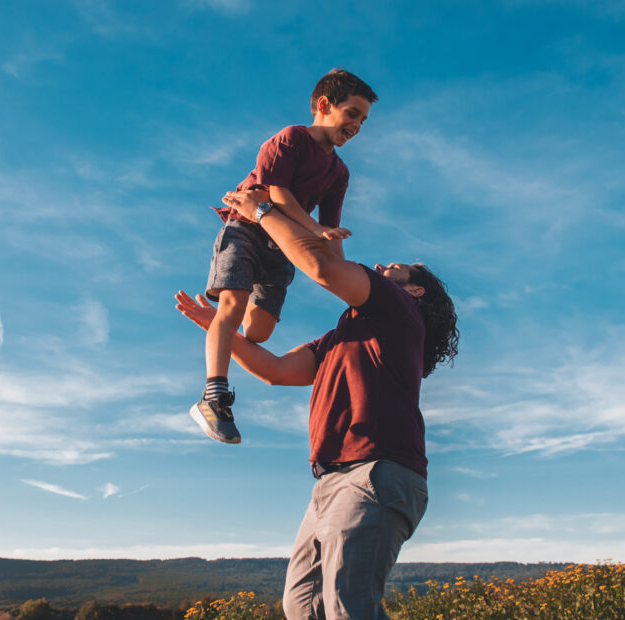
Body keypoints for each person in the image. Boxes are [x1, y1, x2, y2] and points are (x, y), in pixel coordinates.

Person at [175, 187, 459, 619]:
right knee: (303, 606)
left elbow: (323, 267)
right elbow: (275, 370)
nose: (382, 267)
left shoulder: (399, 307)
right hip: (332, 480)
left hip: (376, 472)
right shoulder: (341, 337)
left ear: (415, 291)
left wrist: (263, 211)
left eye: (395, 268)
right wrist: (218, 327)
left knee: (349, 606)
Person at [191, 69, 378, 445]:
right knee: (232, 306)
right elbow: (277, 195)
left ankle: (220, 323)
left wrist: (347, 281)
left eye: (364, 120)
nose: (357, 125)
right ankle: (214, 396)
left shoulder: (339, 172)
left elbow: (332, 232)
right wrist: (313, 230)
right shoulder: (291, 139)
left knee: (258, 333)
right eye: (352, 113)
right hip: (246, 227)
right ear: (324, 106)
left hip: (282, 247)